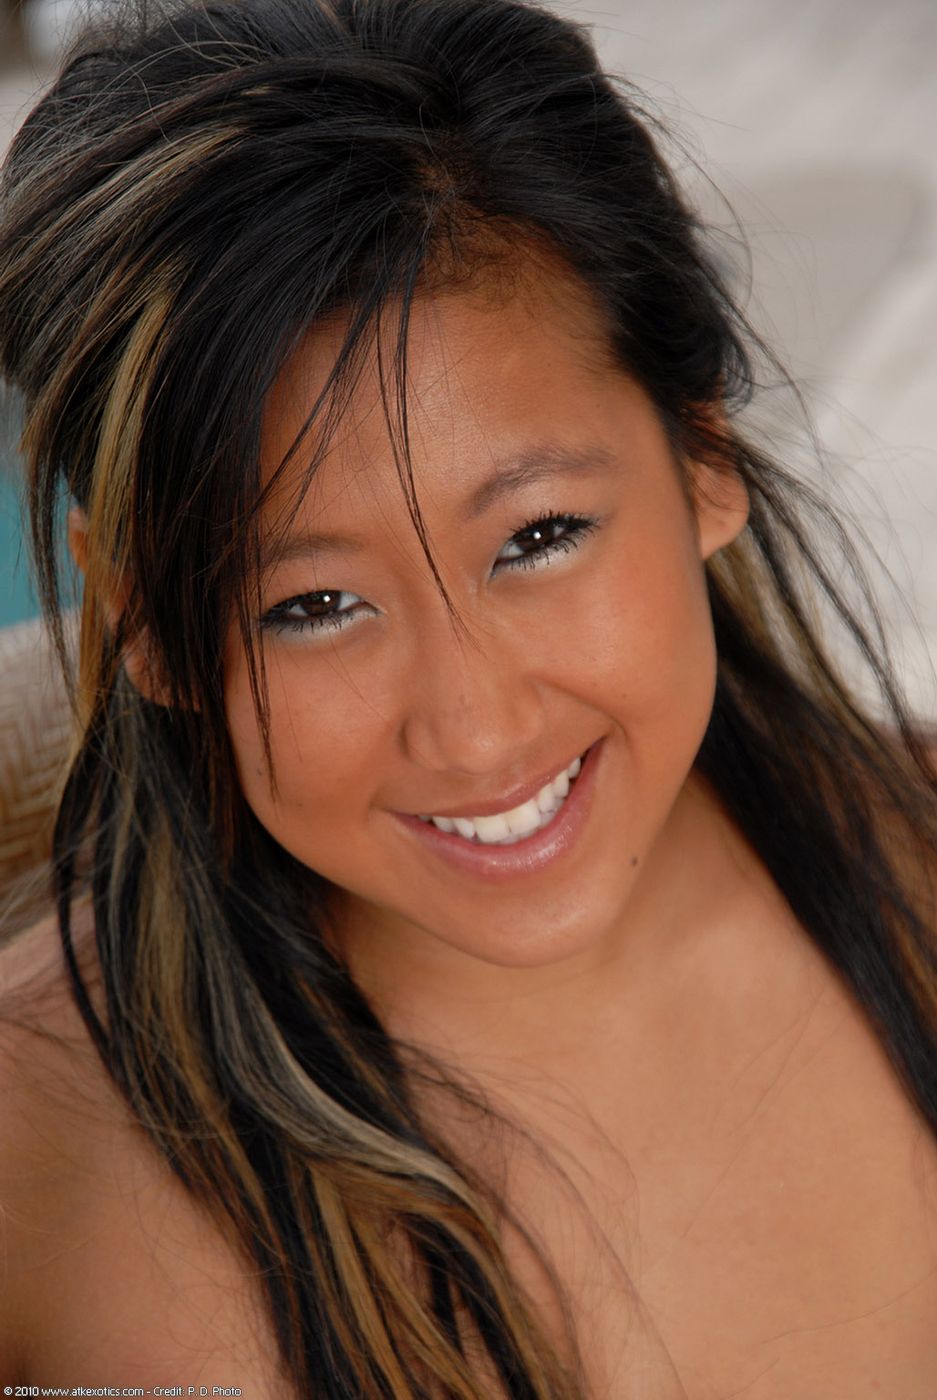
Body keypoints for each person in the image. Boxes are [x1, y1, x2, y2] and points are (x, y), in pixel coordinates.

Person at [1, 0, 937, 1393]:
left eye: (538, 536)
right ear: (145, 624)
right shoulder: (40, 1185)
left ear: (702, 455)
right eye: (313, 606)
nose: (477, 729)